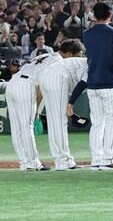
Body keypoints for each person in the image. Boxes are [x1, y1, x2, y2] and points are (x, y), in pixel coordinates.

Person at [81, 1, 113, 170]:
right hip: (111, 82)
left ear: (94, 15)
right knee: (112, 122)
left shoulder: (87, 34)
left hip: (92, 83)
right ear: (110, 15)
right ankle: (109, 158)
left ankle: (96, 159)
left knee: (97, 122)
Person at [37, 38, 87, 170]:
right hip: (56, 78)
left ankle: (61, 159)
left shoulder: (71, 61)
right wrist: (70, 104)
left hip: (48, 78)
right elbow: (83, 84)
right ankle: (64, 160)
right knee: (59, 122)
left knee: (56, 122)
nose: (81, 55)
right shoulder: (94, 64)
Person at [6, 46, 57, 170]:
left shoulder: (46, 56)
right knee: (27, 126)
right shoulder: (58, 62)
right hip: (26, 85)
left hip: (12, 83)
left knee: (16, 128)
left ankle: (24, 162)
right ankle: (34, 163)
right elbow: (41, 89)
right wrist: (37, 112)